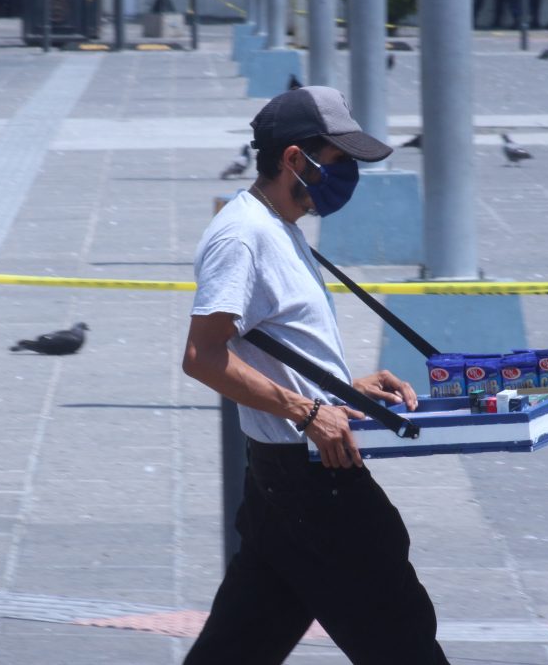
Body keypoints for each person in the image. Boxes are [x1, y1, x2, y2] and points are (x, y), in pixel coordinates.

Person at [182, 86, 451, 665]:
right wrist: (307, 411)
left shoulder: (279, 226)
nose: (348, 172)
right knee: (403, 640)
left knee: (238, 647)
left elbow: (274, 344)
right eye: (338, 159)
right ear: (293, 159)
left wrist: (340, 388)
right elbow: (202, 356)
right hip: (312, 482)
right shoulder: (243, 235)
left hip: (285, 483)